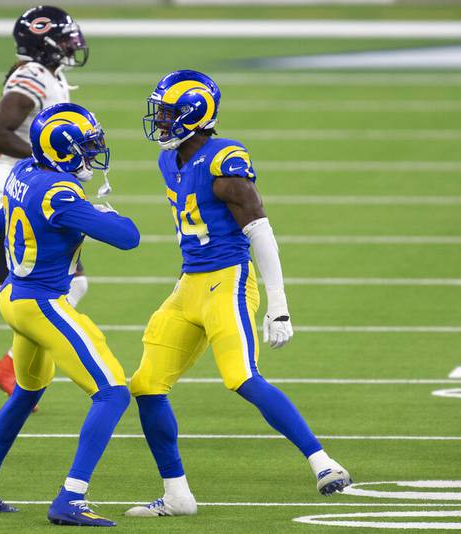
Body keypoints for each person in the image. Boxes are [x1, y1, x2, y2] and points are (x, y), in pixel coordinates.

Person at [125, 70, 352, 518]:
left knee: (241, 377)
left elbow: (259, 230)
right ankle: (177, 495)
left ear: (194, 115)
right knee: (146, 385)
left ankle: (324, 463)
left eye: (169, 113)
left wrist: (279, 306)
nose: (162, 121)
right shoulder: (168, 159)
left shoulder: (223, 161)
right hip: (189, 283)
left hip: (227, 280)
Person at [0, 103, 140, 527]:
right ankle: (71, 498)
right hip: (43, 303)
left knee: (27, 392)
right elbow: (127, 238)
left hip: (14, 297)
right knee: (113, 391)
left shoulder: (22, 170)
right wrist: (108, 214)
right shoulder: (61, 193)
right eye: (87, 146)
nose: (93, 153)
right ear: (64, 150)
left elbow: (3, 215)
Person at [0, 5, 91, 399]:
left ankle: (7, 367)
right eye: (65, 38)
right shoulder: (30, 77)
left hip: (20, 186)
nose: (72, 44)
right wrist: (51, 160)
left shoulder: (48, 74)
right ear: (44, 41)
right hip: (12, 188)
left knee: (72, 281)